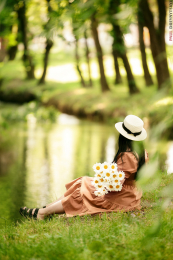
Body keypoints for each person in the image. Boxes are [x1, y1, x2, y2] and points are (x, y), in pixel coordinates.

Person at [20, 115, 149, 220]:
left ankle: (42, 213)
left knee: (83, 192)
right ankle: (45, 210)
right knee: (83, 181)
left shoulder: (127, 156)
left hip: (122, 197)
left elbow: (115, 185)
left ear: (122, 135)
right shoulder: (141, 152)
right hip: (131, 193)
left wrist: (102, 179)